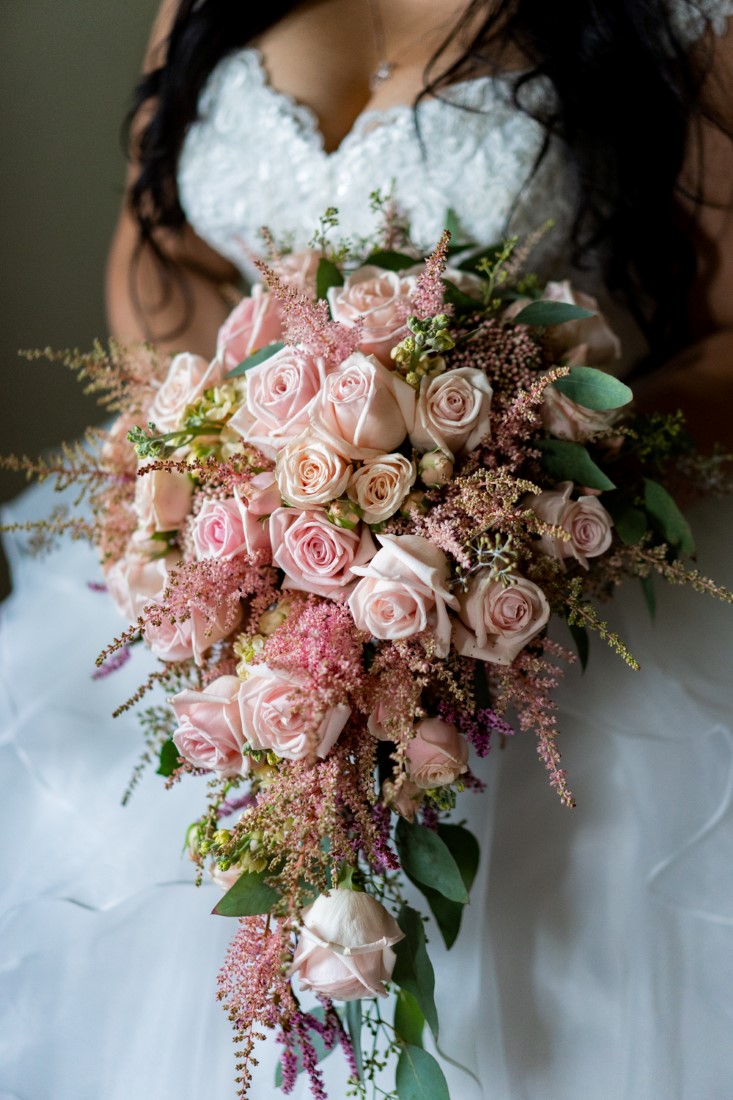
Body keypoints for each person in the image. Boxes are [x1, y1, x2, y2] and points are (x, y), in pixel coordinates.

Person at [1, 1, 733, 1098]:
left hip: (535, 585)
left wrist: (510, 491)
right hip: (252, 567)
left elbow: (727, 331)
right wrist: (223, 477)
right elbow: (166, 262)